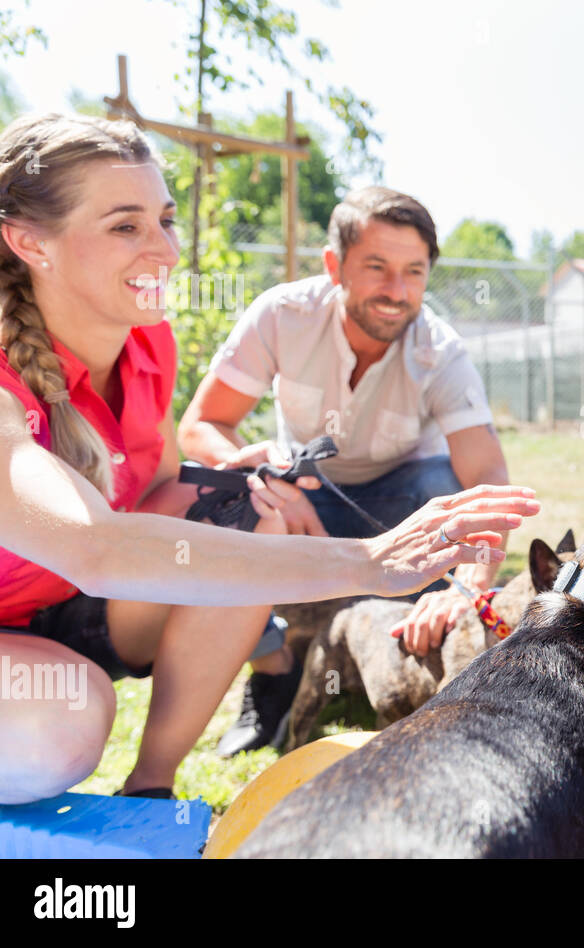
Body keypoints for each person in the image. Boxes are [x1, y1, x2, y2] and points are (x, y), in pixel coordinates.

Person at [0, 112, 538, 805]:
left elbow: (154, 492)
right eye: (125, 226)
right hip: (12, 626)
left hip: (71, 608)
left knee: (251, 507)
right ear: (28, 241)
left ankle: (150, 786)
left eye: (165, 220)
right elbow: (97, 547)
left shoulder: (148, 347)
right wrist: (370, 561)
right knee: (64, 719)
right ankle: (275, 657)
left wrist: (238, 485)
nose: (162, 249)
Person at [177, 186, 512, 755]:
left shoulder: (441, 353)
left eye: (414, 272)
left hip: (400, 508)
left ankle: (403, 651)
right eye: (377, 268)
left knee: (441, 486)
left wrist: (471, 589)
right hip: (306, 494)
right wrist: (260, 477)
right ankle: (274, 669)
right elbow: (202, 425)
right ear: (334, 266)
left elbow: (487, 480)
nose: (397, 292)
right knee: (214, 498)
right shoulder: (282, 315)